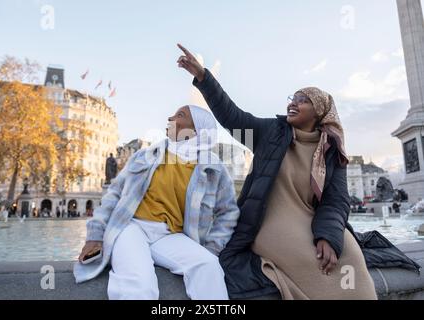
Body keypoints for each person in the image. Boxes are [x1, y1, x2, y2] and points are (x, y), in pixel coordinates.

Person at [177, 44, 377, 300]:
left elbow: (336, 200)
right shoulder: (270, 132)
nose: (293, 104)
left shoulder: (330, 149)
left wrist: (328, 236)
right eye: (292, 99)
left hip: (312, 220)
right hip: (270, 222)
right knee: (313, 262)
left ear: (319, 111)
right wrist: (204, 77)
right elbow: (233, 117)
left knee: (351, 259)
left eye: (302, 101)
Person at [74, 105, 240, 300]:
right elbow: (113, 195)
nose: (170, 116)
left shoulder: (214, 169)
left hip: (171, 236)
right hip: (131, 228)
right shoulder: (145, 156)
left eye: (180, 115)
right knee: (139, 285)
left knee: (209, 266)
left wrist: (211, 248)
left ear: (197, 131)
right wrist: (95, 235)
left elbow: (228, 212)